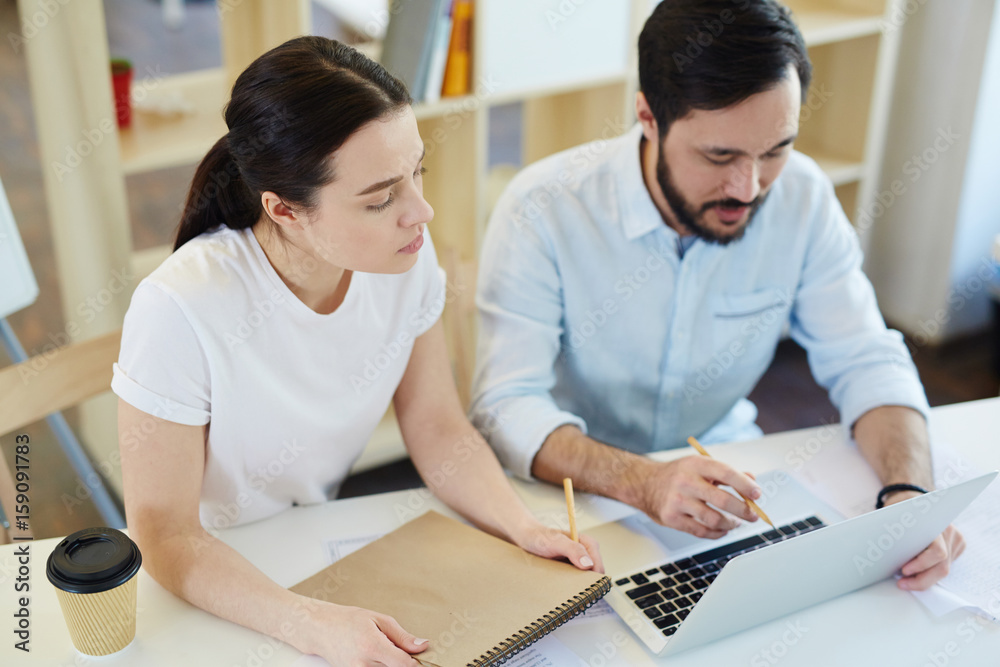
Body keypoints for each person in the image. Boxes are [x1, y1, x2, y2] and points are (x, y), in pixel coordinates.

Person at [113, 36, 601, 667]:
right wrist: (307, 623)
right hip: (215, 578)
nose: (420, 212)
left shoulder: (405, 263)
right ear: (285, 209)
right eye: (381, 199)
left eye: (417, 171)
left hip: (316, 548)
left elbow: (435, 423)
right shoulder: (179, 309)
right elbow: (164, 532)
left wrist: (521, 526)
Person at [470, 0, 962, 591]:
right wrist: (644, 481)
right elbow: (506, 405)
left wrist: (912, 497)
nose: (749, 188)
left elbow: (865, 357)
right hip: (570, 499)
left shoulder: (802, 198)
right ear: (648, 117)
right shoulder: (543, 208)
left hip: (732, 485)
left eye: (775, 149)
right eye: (719, 155)